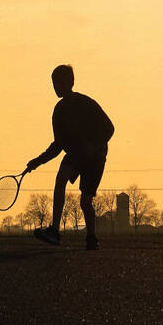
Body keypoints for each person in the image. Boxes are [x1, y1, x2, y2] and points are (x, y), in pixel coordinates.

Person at [25, 64, 114, 250]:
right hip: (76, 154)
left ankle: (91, 237)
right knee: (60, 178)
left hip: (95, 157)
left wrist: (94, 146)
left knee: (85, 201)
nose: (57, 87)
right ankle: (55, 231)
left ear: (71, 82)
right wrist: (37, 161)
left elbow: (109, 128)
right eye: (54, 83)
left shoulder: (86, 103)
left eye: (60, 82)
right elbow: (58, 145)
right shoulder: (58, 111)